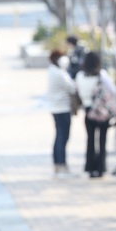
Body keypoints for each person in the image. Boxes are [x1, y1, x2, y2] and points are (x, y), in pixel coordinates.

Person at [76, 52, 116, 178]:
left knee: (90, 140)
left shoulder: (80, 75)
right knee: (102, 140)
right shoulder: (101, 75)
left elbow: (77, 91)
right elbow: (114, 90)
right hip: (102, 111)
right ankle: (101, 168)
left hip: (88, 110)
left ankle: (90, 168)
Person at [46, 49, 76, 178]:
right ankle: (61, 164)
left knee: (59, 136)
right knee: (62, 137)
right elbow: (72, 87)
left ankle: (58, 164)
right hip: (62, 108)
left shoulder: (52, 71)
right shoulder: (59, 73)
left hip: (55, 108)